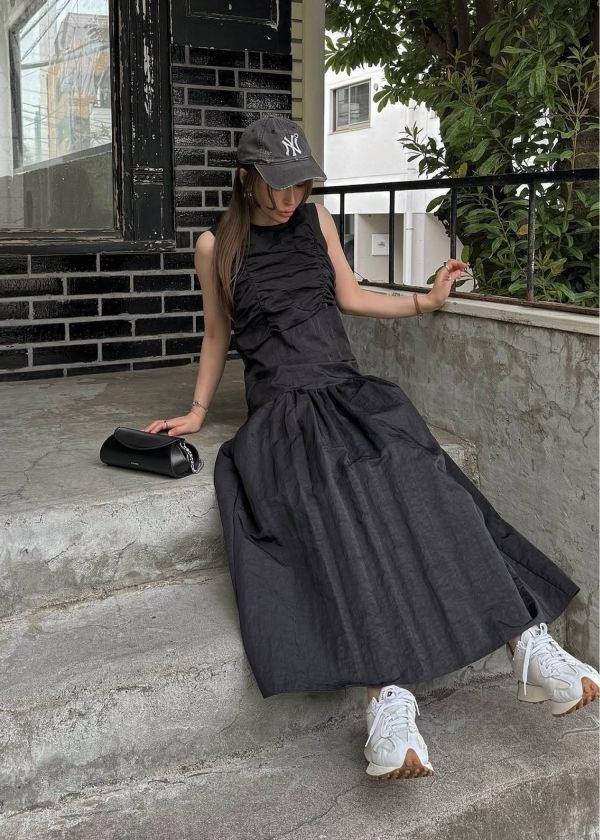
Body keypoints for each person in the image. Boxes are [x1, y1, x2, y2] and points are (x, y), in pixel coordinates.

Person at [144, 116, 599, 780]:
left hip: (349, 393)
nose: (289, 199)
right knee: (340, 506)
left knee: (423, 476)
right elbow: (217, 334)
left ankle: (526, 642)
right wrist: (195, 411)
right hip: (283, 414)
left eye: (300, 185)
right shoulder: (216, 247)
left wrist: (424, 302)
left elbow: (350, 295)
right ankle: (386, 699)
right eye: (277, 186)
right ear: (246, 178)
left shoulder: (316, 220)